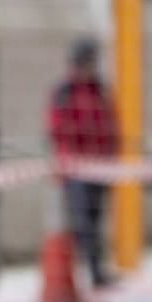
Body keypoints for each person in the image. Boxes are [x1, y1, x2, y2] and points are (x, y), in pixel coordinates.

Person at [47, 38, 117, 287]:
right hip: (75, 168)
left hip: (98, 167)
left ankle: (96, 271)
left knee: (96, 221)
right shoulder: (64, 90)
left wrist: (108, 155)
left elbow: (108, 124)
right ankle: (75, 274)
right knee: (81, 223)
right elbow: (56, 126)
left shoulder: (98, 89)